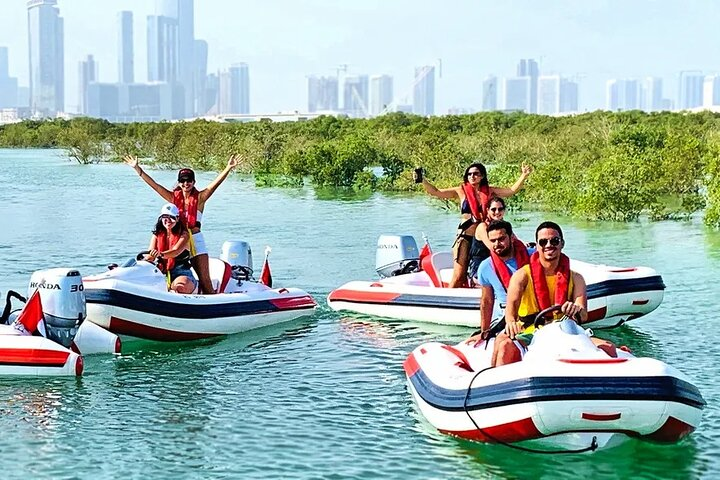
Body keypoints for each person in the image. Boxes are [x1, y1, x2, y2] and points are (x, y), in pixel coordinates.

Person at [125, 154, 240, 294]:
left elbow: (214, 185)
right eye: (183, 181)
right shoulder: (173, 197)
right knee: (169, 268)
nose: (186, 184)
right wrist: (138, 169)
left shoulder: (200, 198)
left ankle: (212, 302)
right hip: (178, 238)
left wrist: (228, 168)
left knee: (205, 278)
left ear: (194, 182)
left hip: (195, 239)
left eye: (189, 180)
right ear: (179, 182)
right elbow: (155, 186)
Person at [417, 162, 532, 288]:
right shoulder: (460, 191)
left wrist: (524, 175)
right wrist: (423, 180)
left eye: (476, 174)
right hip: (466, 237)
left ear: (482, 176)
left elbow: (511, 190)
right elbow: (436, 192)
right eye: (469, 174)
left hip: (486, 236)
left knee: (494, 266)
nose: (472, 176)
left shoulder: (490, 191)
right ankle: (446, 299)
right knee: (459, 275)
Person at [492, 221, 588, 367]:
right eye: (543, 242)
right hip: (531, 332)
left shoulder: (576, 278)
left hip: (565, 332)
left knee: (608, 346)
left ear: (562, 243)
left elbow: (583, 314)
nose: (549, 245)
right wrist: (511, 324)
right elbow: (510, 315)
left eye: (554, 241)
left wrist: (576, 309)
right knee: (504, 345)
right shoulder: (521, 276)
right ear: (537, 246)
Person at [476, 219, 533, 337]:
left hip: (532, 311)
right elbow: (487, 301)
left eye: (501, 239)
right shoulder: (485, 267)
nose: (497, 244)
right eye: (493, 241)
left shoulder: (533, 256)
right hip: (503, 317)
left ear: (512, 237)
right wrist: (484, 332)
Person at [146, 203, 198, 294]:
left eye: (172, 217)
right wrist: (144, 260)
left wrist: (160, 254)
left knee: (180, 287)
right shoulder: (157, 234)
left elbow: (176, 251)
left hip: (181, 272)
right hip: (160, 272)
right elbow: (150, 255)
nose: (168, 220)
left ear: (177, 219)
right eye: (165, 217)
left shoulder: (184, 235)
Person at [468, 196, 509, 280]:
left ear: (504, 211)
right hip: (479, 267)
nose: (497, 212)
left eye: (500, 209)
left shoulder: (504, 226)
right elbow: (494, 248)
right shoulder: (482, 227)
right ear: (487, 211)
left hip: (499, 264)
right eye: (493, 209)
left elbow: (515, 241)